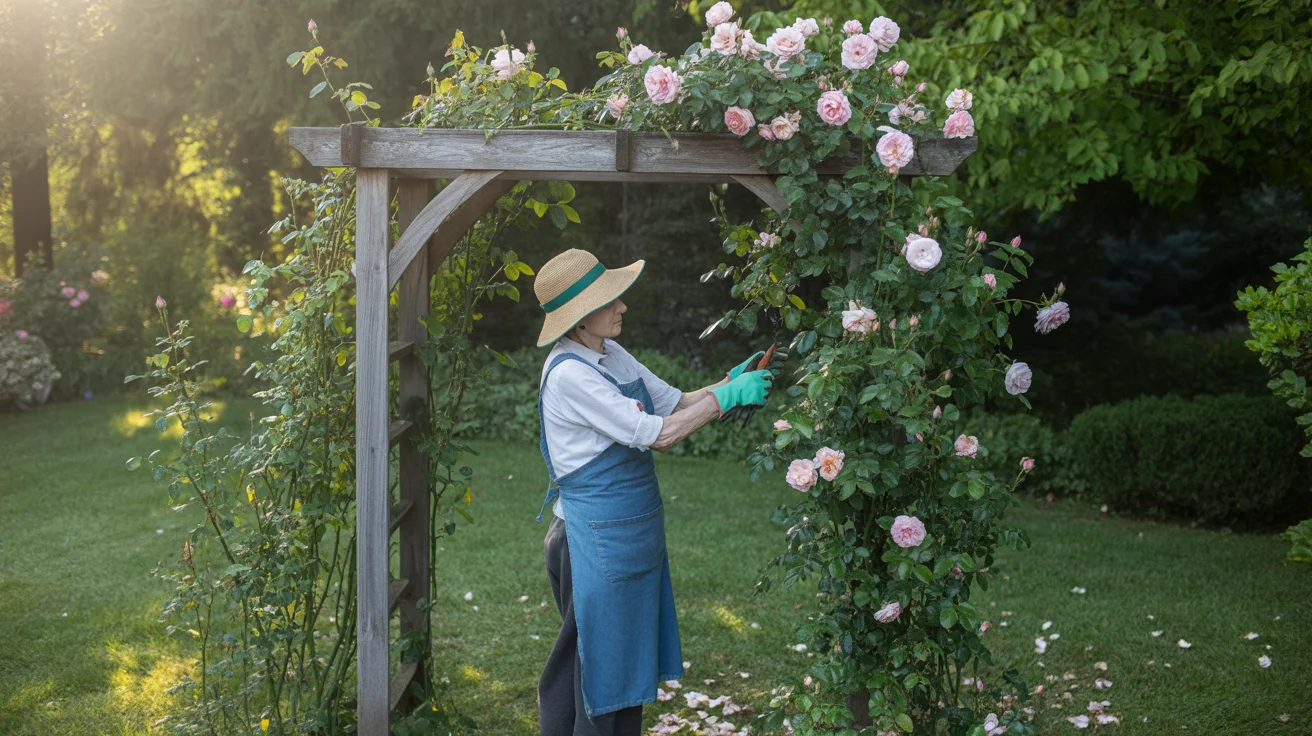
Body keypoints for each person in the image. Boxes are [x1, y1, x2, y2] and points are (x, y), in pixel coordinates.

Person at [532, 248, 786, 736]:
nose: (622, 306)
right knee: (597, 672)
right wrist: (725, 400)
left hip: (626, 536)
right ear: (580, 317)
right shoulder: (570, 375)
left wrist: (729, 381)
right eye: (610, 301)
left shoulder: (610, 353)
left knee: (622, 668)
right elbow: (659, 434)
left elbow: (675, 404)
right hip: (590, 541)